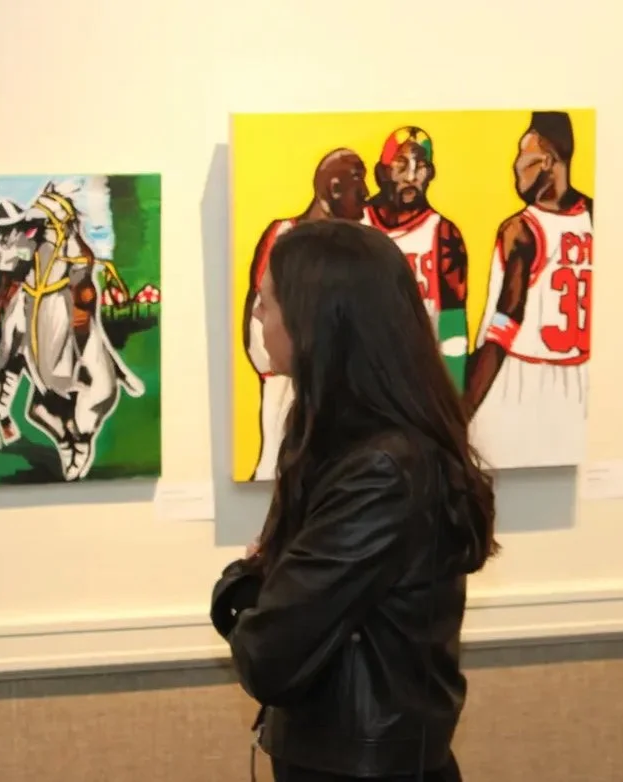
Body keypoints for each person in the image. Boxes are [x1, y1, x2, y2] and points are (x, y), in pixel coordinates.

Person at [212, 219, 497, 782]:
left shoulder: (383, 469)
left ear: (314, 319)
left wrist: (243, 582)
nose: (258, 319)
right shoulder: (337, 442)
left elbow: (269, 656)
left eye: (266, 304)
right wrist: (269, 580)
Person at [465, 111, 593, 468]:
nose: (515, 165)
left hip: (522, 381)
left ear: (548, 160)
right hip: (582, 383)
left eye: (523, 155)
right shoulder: (597, 216)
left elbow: (504, 325)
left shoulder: (520, 229)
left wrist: (461, 410)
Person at [242, 149, 369, 481]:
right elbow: (258, 318)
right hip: (289, 379)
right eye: (358, 180)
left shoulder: (356, 246)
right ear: (332, 189)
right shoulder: (285, 234)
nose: (366, 193)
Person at [360, 127, 469, 388]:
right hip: (363, 377)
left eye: (420, 166)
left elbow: (453, 323)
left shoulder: (443, 233)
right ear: (382, 171)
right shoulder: (356, 224)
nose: (411, 176)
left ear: (430, 173)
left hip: (418, 382)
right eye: (401, 165)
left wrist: (454, 393)